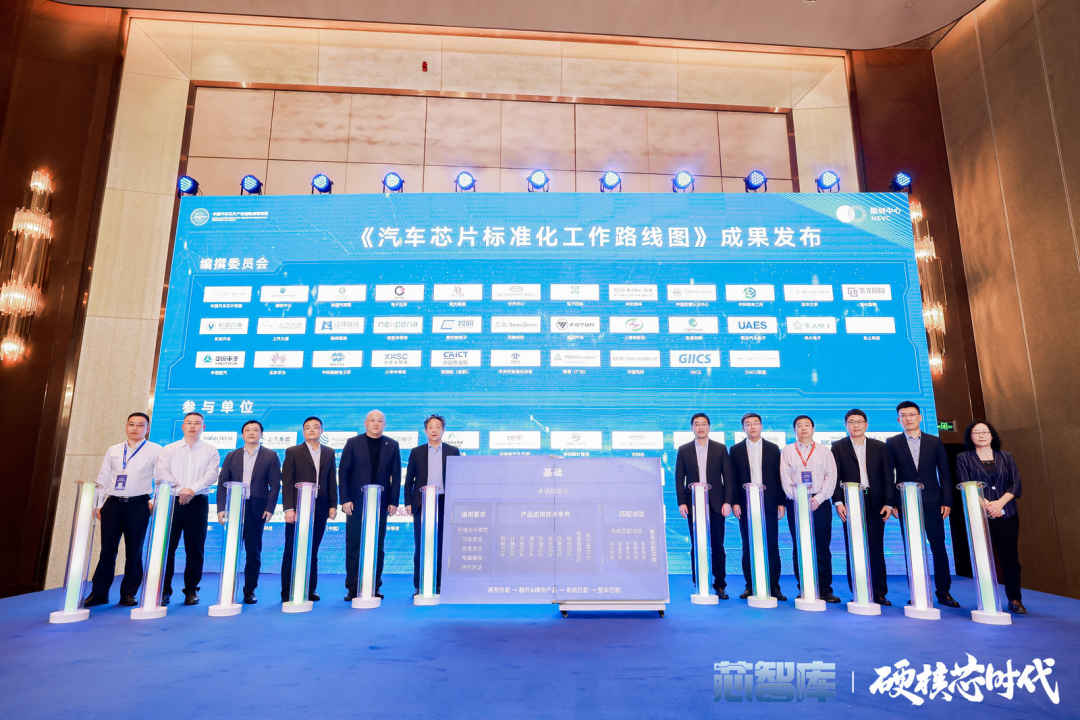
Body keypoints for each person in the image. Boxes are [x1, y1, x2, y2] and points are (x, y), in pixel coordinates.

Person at [83, 413, 162, 607]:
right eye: (131, 424)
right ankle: (99, 594)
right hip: (113, 504)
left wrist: (153, 502)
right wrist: (98, 504)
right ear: (126, 426)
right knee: (107, 551)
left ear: (147, 429)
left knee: (134, 551)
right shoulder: (114, 450)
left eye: (140, 425)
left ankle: (128, 593)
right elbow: (103, 477)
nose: (135, 428)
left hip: (139, 504)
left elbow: (161, 479)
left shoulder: (156, 450)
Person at [887, 401, 959, 607]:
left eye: (912, 414)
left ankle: (944, 592)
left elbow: (944, 473)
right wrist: (892, 502)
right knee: (912, 548)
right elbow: (889, 475)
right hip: (905, 503)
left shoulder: (934, 441)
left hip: (933, 502)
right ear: (898, 419)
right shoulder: (892, 442)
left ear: (920, 417)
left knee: (938, 547)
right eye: (903, 415)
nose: (908, 418)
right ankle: (918, 591)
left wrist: (947, 500)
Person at [956, 420, 1026, 614]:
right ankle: (987, 600)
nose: (981, 435)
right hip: (980, 514)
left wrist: (999, 504)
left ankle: (1015, 599)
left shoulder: (1005, 456)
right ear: (970, 437)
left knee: (1010, 557)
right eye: (976, 432)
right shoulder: (964, 458)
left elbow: (1016, 484)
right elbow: (966, 485)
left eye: (985, 432)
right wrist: (987, 506)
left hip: (1007, 513)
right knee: (983, 558)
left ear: (992, 435)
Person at [156, 411, 220, 606]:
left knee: (195, 548)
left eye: (197, 423)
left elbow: (211, 475)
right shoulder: (169, 449)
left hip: (198, 502)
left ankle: (191, 590)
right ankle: (164, 590)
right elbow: (162, 472)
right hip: (173, 501)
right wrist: (180, 490)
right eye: (189, 423)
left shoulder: (211, 450)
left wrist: (191, 490)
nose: (193, 426)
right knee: (168, 548)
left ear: (203, 427)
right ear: (183, 426)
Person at [831, 409, 893, 605]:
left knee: (876, 546)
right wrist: (838, 502)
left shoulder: (880, 446)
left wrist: (889, 502)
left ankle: (879, 591)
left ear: (866, 424)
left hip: (875, 501)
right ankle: (857, 589)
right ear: (846, 425)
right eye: (851, 422)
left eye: (859, 421)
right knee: (854, 546)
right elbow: (834, 476)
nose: (855, 425)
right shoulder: (838, 446)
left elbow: (888, 476)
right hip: (850, 502)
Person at [216, 419, 281, 604]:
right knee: (231, 550)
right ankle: (228, 589)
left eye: (255, 430)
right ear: (242, 434)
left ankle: (249, 590)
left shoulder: (271, 455)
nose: (251, 433)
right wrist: (221, 508)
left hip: (257, 510)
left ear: (261, 434)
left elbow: (275, 485)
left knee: (253, 552)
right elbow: (222, 483)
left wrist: (269, 508)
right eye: (247, 430)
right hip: (235, 508)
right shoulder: (232, 456)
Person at [338, 410, 401, 600]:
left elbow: (396, 476)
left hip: (381, 504)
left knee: (377, 546)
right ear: (365, 423)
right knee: (354, 544)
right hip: (356, 503)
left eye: (380, 421)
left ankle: (374, 585)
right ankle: (353, 587)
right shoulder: (353, 443)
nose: (376, 424)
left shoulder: (392, 445)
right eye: (372, 420)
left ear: (385, 424)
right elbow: (343, 473)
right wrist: (345, 499)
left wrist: (393, 502)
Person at [780, 415, 840, 603]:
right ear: (794, 430)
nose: (803, 428)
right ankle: (804, 587)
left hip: (820, 502)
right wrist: (799, 498)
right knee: (800, 545)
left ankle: (825, 589)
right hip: (796, 503)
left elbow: (831, 476)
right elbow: (785, 478)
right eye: (799, 426)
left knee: (822, 546)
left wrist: (820, 498)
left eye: (807, 425)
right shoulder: (787, 451)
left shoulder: (824, 450)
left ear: (813, 429)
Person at [674, 412, 734, 599]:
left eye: (704, 424)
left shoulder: (720, 448)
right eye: (696, 424)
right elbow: (679, 478)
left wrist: (728, 502)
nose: (700, 427)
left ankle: (720, 584)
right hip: (693, 505)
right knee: (696, 545)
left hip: (716, 504)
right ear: (692, 428)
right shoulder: (684, 450)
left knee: (718, 545)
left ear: (709, 427)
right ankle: (699, 581)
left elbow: (728, 477)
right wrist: (681, 502)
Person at [729, 412, 786, 601]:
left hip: (768, 503)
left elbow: (779, 477)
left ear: (761, 426)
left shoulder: (773, 448)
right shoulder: (735, 450)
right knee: (748, 546)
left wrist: (780, 502)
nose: (752, 426)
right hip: (745, 504)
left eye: (755, 423)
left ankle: (774, 586)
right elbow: (732, 478)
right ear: (743, 428)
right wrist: (735, 502)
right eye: (748, 424)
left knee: (772, 546)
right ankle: (750, 585)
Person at [280, 416, 338, 602]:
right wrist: (289, 508)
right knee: (292, 549)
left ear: (322, 431)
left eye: (316, 427)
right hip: (298, 507)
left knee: (313, 549)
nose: (312, 430)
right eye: (308, 427)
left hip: (321, 506)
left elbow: (331, 481)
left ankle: (310, 588)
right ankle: (287, 591)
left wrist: (332, 505)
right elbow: (287, 482)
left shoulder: (329, 452)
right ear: (303, 431)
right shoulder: (293, 452)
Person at [403, 414, 460, 595]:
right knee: (421, 544)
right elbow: (409, 480)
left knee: (443, 543)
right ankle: (420, 584)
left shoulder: (453, 451)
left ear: (443, 430)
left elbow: (458, 479)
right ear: (425, 430)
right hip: (422, 502)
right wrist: (408, 502)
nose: (434, 430)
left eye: (437, 427)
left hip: (445, 502)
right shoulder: (416, 452)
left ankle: (441, 583)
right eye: (430, 427)